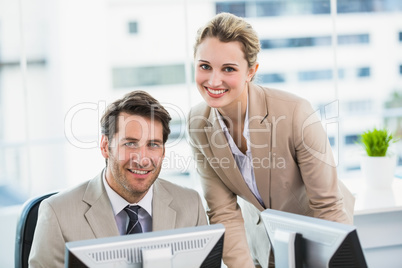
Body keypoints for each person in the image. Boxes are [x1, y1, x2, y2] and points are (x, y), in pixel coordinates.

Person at [187, 12, 355, 268]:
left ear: (251, 71)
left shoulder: (295, 112)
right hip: (263, 242)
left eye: (229, 69)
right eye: (205, 66)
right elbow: (223, 213)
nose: (213, 80)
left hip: (319, 232)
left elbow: (328, 207)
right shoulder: (198, 123)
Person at [29, 90, 208, 267]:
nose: (143, 159)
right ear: (105, 146)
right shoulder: (58, 214)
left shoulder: (191, 206)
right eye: (130, 143)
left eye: (153, 145)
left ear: (163, 151)